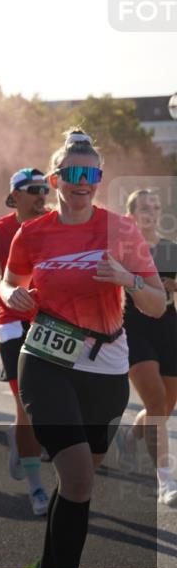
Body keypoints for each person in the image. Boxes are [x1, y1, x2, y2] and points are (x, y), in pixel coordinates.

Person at [0, 129, 165, 568]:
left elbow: (156, 303)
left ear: (99, 179)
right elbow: (7, 281)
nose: (82, 181)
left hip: (106, 366)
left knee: (78, 481)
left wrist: (128, 279)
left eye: (91, 173)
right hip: (46, 359)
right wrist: (11, 294)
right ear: (55, 178)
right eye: (73, 172)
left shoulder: (122, 230)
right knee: (77, 479)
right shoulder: (31, 234)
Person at [0, 167, 51, 515]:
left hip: (53, 323)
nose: (41, 195)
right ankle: (36, 488)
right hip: (14, 325)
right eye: (33, 189)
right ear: (15, 194)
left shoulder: (57, 224)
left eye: (45, 188)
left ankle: (23, 443)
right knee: (26, 406)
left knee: (53, 403)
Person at [114, 188, 177, 506]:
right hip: (134, 332)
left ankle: (130, 434)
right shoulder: (123, 250)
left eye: (155, 207)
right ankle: (166, 481)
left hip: (169, 330)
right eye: (145, 208)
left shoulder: (170, 249)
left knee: (164, 408)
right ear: (131, 216)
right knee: (155, 403)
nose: (152, 213)